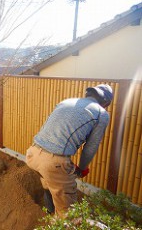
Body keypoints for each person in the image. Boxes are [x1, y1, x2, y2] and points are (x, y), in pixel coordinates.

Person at [26, 84, 113, 218]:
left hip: (32, 153)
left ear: (88, 94)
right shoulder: (101, 114)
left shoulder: (66, 102)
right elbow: (91, 147)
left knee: (49, 184)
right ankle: (58, 220)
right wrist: (82, 168)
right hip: (52, 163)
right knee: (68, 212)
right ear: (106, 102)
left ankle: (50, 212)